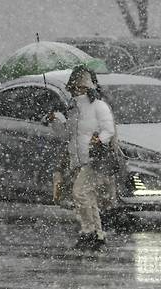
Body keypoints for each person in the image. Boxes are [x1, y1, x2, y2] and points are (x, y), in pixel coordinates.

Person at [50, 66, 118, 251]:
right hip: (79, 160)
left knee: (79, 193)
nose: (78, 91)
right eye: (76, 87)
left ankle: (89, 232)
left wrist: (99, 140)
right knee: (87, 196)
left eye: (83, 87)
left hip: (95, 160)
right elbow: (68, 135)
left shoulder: (99, 106)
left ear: (91, 88)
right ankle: (97, 234)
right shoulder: (73, 109)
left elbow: (109, 130)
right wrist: (56, 121)